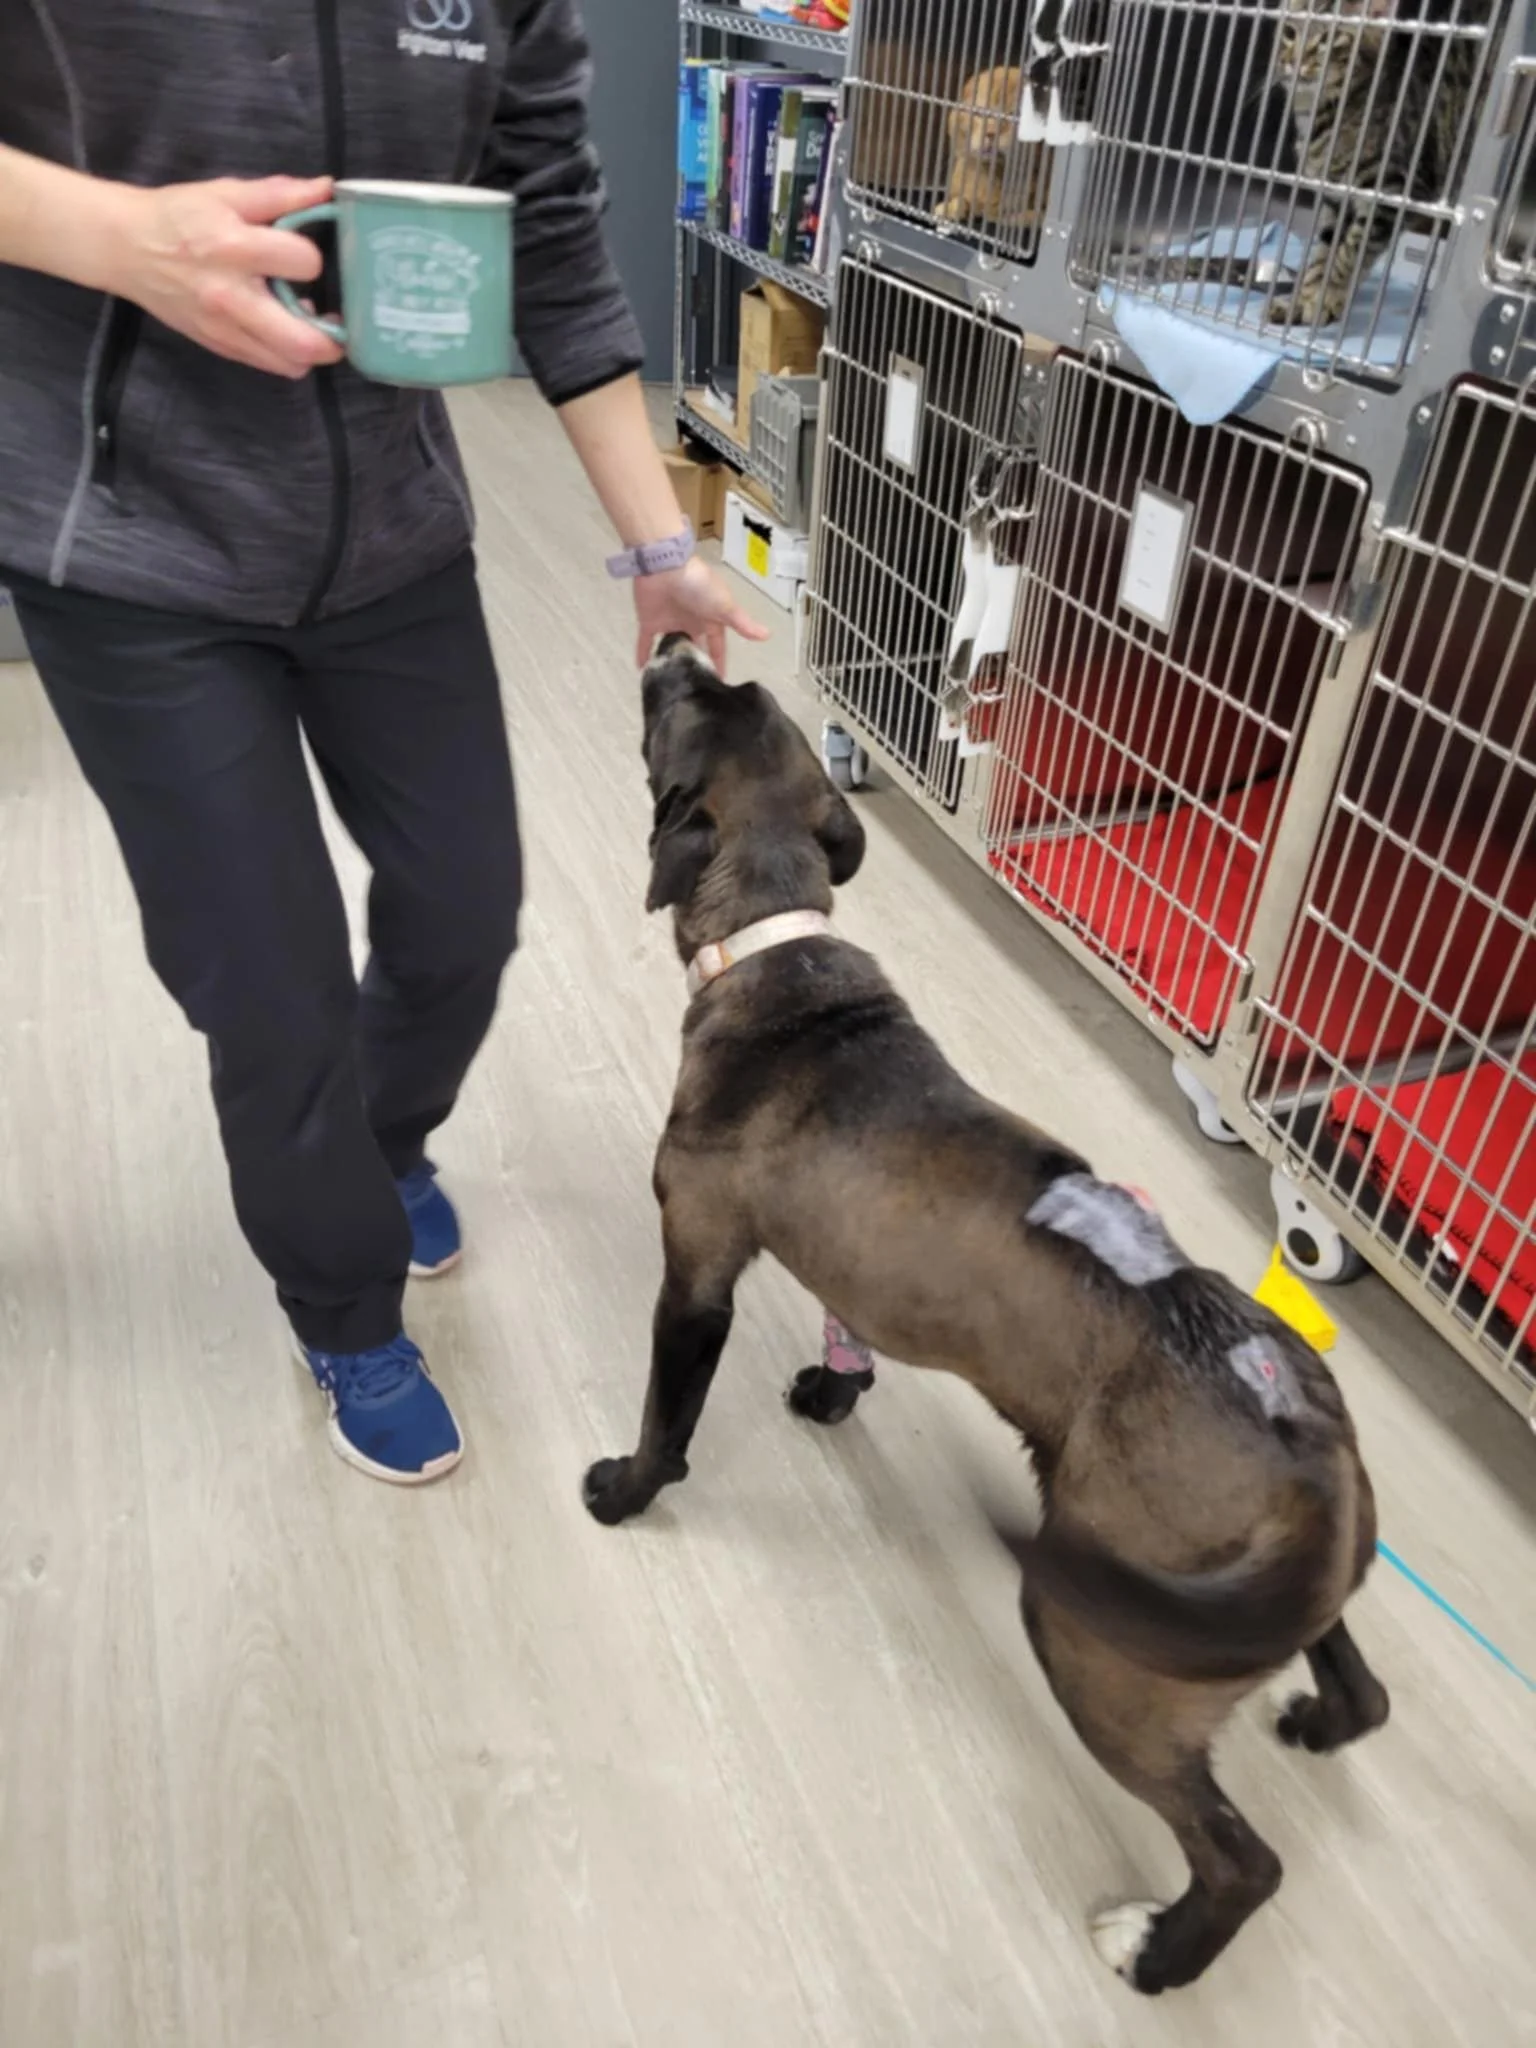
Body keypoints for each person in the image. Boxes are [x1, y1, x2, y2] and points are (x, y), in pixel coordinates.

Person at [0, 2, 768, 1485]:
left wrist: (655, 546)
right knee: (269, 984)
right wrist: (111, 233)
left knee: (466, 910)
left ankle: (385, 1138)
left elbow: (546, 220)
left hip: (392, 538)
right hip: (127, 551)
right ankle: (342, 1302)